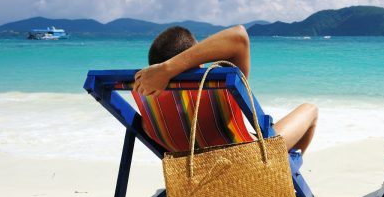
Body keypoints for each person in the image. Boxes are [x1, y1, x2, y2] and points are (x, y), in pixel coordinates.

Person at [133, 25, 318, 154]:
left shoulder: (150, 107)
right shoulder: (216, 86)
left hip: (194, 164)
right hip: (248, 158)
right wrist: (169, 68)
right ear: (198, 61)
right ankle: (286, 169)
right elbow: (239, 37)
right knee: (311, 110)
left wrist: (164, 72)